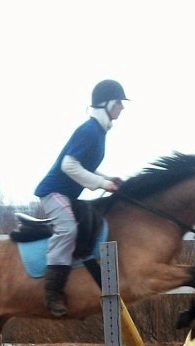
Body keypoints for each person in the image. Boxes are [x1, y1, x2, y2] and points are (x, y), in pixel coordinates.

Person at [34, 79, 128, 317]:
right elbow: (68, 165)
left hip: (66, 195)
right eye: (119, 102)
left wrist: (108, 178)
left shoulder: (98, 131)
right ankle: (52, 293)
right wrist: (102, 184)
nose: (122, 107)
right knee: (68, 229)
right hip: (53, 192)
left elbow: (86, 168)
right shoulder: (89, 131)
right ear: (107, 103)